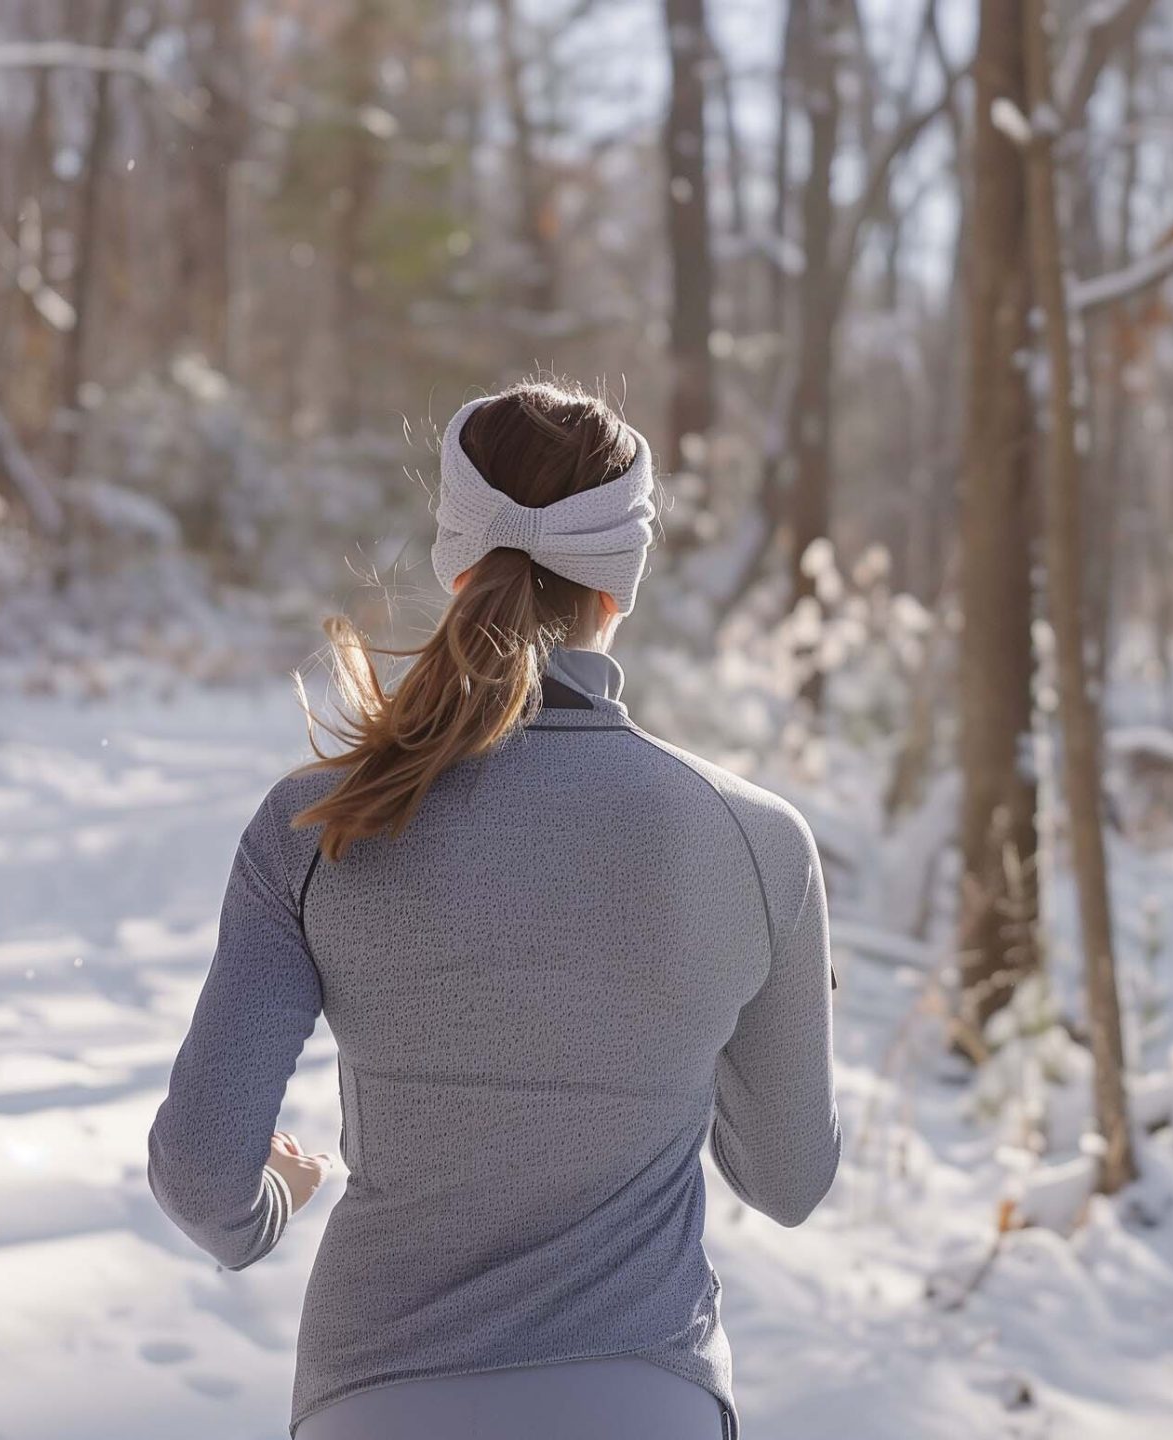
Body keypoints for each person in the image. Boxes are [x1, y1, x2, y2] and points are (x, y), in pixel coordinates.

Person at [146, 380, 841, 1439]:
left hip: (377, 1401)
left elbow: (202, 1172)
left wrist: (270, 1201)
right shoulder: (756, 842)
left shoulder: (321, 824)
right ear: (625, 579)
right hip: (642, 1402)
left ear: (455, 556)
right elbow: (785, 1180)